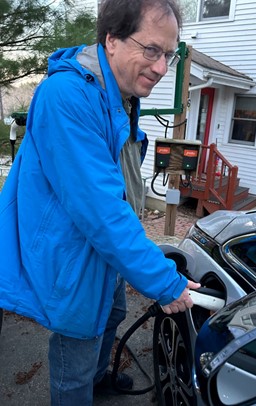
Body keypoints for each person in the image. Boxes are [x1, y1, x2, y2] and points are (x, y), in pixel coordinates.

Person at [0, 0, 200, 404]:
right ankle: (79, 389)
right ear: (111, 40)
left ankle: (97, 379)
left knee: (112, 313)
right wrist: (164, 282)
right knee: (80, 336)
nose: (162, 68)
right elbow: (100, 210)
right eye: (151, 50)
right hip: (73, 248)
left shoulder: (119, 93)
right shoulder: (68, 95)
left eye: (168, 54)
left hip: (101, 246)